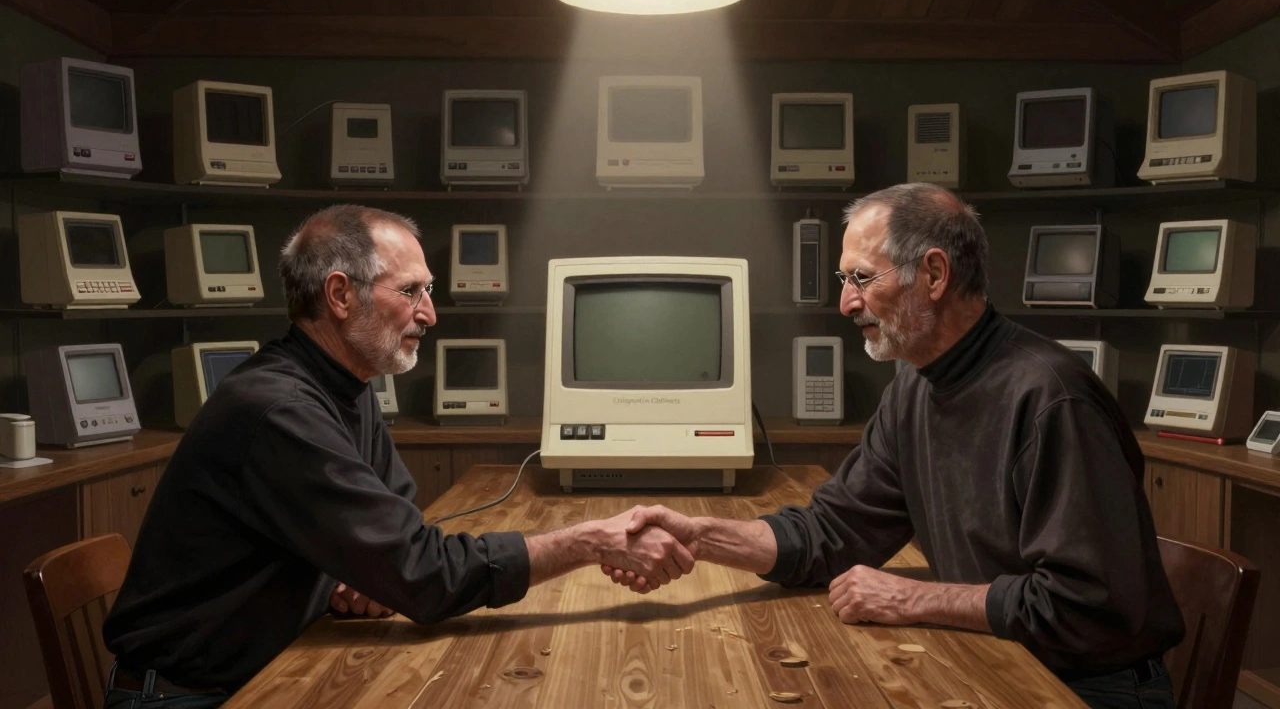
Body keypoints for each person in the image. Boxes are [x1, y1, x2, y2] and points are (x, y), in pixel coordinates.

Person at [605, 183, 1185, 709]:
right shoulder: (914, 381)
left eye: (862, 279)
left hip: (1088, 686)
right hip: (999, 655)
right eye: (844, 281)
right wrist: (701, 537)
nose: (845, 304)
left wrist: (914, 599)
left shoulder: (1051, 399)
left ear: (934, 275)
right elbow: (835, 533)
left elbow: (1087, 610)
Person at [100, 205, 694, 708]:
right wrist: (589, 542)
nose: (429, 313)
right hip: (191, 695)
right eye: (410, 291)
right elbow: (423, 573)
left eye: (427, 291)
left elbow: (399, 526)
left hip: (260, 664)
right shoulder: (280, 410)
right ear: (339, 294)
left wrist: (368, 567)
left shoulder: (346, 385)